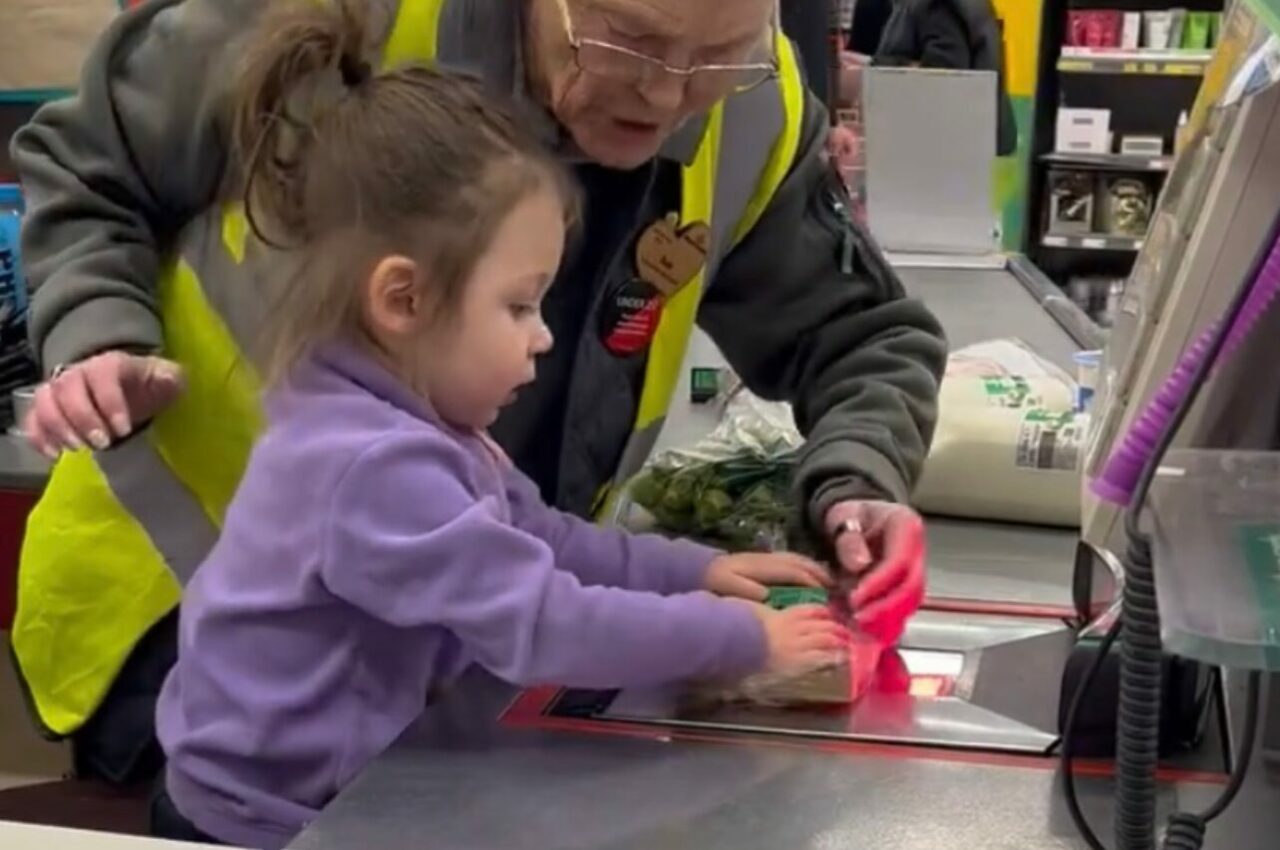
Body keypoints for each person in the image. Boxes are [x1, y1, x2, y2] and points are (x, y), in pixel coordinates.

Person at [12, 0, 947, 788]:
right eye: (629, 40)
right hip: (203, 639)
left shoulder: (760, 107)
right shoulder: (321, 18)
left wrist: (857, 481)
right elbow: (88, 169)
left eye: (715, 57)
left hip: (454, 655)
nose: (668, 92)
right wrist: (98, 337)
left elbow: (859, 333)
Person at [870, 0, 1018, 155]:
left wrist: (886, 68)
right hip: (968, 147)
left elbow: (942, 80)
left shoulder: (937, 7)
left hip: (944, 153)